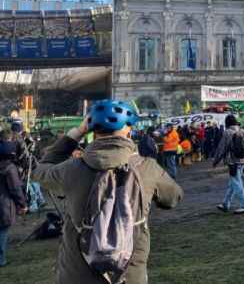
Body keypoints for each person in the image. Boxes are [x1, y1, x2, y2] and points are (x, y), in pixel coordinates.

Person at [32, 100, 183, 283]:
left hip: (77, 276)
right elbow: (174, 197)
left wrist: (75, 134)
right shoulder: (147, 168)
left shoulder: (71, 169)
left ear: (92, 130)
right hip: (128, 275)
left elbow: (40, 172)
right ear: (128, 129)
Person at [213, 114, 244, 214]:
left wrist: (216, 161)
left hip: (233, 162)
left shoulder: (228, 132)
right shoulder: (243, 131)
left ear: (227, 123)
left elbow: (221, 148)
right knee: (233, 183)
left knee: (236, 183)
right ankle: (226, 204)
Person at [0, 131, 27, 267]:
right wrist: (22, 204)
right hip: (3, 204)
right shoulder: (9, 168)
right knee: (2, 231)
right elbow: (15, 188)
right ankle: (1, 259)